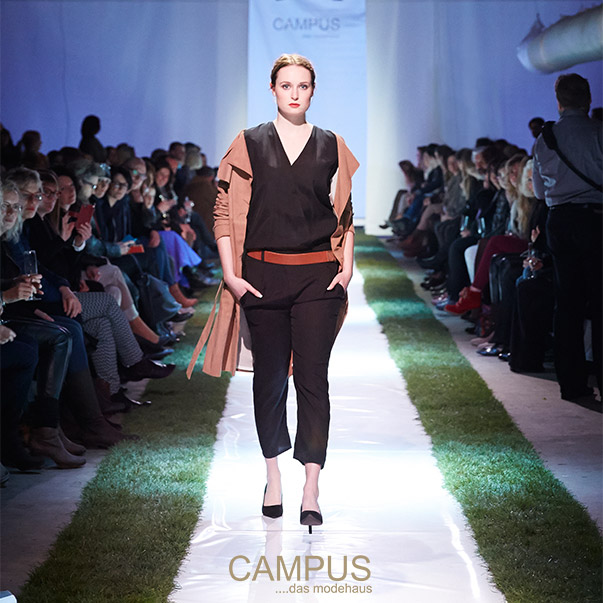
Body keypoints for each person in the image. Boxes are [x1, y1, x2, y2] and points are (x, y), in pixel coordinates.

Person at [187, 54, 358, 532]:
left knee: (313, 380)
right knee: (268, 380)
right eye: (286, 85)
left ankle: (311, 487)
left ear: (313, 90)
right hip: (261, 277)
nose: (295, 93)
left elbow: (344, 213)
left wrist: (346, 267)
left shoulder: (332, 145)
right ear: (272, 89)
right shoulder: (248, 143)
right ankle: (273, 477)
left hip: (318, 278)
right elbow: (223, 211)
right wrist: (231, 274)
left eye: (303, 85)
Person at [532, 73, 602, 404]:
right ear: (588, 99)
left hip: (560, 220)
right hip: (596, 219)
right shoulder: (599, 132)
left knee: (568, 304)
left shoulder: (546, 138)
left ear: (558, 103)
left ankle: (571, 384)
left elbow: (538, 191)